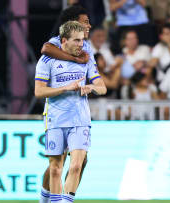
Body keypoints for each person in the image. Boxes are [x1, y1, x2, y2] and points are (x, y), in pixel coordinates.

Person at [35, 21, 107, 203]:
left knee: (76, 166)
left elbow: (102, 88)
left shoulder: (87, 58)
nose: (81, 44)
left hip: (80, 119)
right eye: (76, 40)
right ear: (64, 40)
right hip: (55, 119)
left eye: (82, 40)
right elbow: (39, 92)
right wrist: (66, 88)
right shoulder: (47, 61)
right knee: (55, 169)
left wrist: (90, 87)